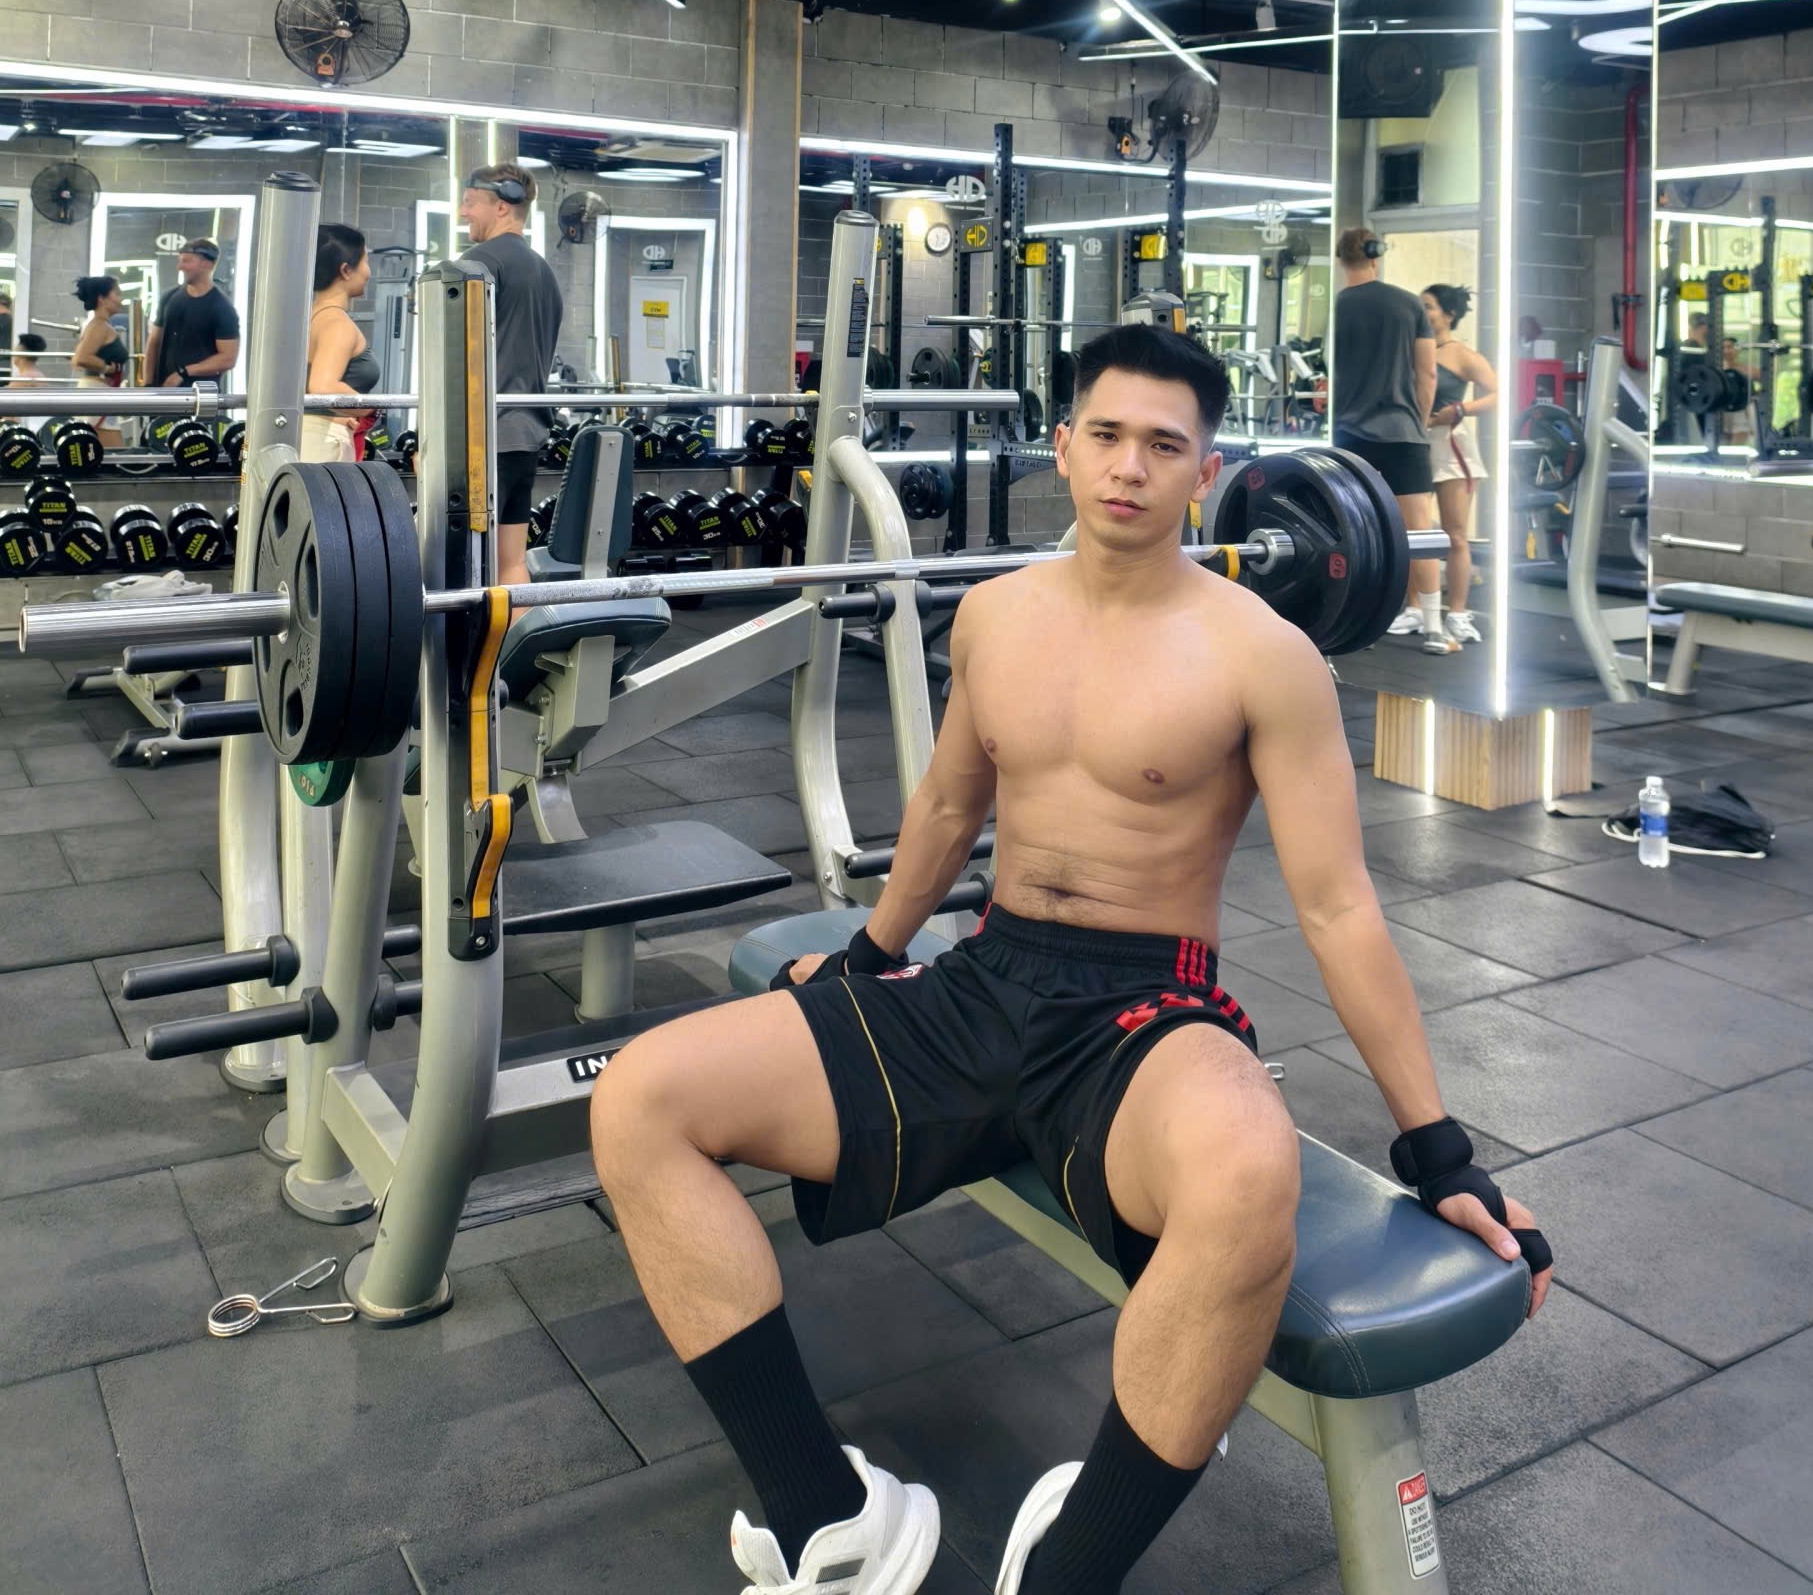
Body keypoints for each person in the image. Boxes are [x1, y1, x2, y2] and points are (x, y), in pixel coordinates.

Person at [587, 323, 1550, 1595]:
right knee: (639, 1099)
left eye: (1164, 445)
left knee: (1247, 1172)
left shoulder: (1265, 655)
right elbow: (947, 806)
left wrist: (1439, 1150)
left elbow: (1339, 908)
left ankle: (1072, 1566)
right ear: (1063, 446)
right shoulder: (994, 616)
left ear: (1207, 472)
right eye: (1106, 434)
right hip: (984, 980)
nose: (1129, 467)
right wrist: (871, 954)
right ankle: (828, 1519)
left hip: (1144, 1013)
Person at [1328, 228, 1451, 652]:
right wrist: (1418, 420)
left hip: (1347, 435)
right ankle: (1434, 628)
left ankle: (1353, 626)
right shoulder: (1408, 303)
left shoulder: (1336, 306)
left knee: (1351, 532)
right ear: (1375, 256)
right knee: (1418, 530)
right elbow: (1427, 372)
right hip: (1401, 434)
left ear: (1341, 260)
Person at [458, 164, 562, 583]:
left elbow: (456, 359)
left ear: (502, 206)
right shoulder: (544, 271)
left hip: (482, 440)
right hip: (524, 437)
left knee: (464, 571)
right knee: (511, 563)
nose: (462, 212)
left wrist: (433, 440)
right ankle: (517, 630)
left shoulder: (479, 262)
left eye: (470, 202)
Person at [1401, 283, 1496, 651]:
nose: (1423, 312)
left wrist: (1461, 409)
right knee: (1412, 533)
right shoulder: (1412, 349)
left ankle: (1457, 613)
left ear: (1449, 314)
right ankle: (1415, 608)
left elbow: (1498, 393)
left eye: (1429, 306)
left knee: (1455, 535)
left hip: (1451, 446)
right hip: (1414, 443)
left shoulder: (1462, 355)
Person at [300, 224, 377, 463]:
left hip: (311, 437)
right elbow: (323, 387)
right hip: (324, 447)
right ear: (346, 270)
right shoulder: (336, 323)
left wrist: (345, 412)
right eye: (365, 261)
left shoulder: (308, 317)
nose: (368, 272)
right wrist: (370, 409)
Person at [144, 239, 240, 390]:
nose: (180, 267)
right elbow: (154, 343)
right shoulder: (169, 298)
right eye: (180, 261)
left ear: (207, 264)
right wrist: (148, 384)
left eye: (187, 261)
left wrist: (183, 373)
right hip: (163, 393)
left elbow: (228, 358)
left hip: (201, 396)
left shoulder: (222, 308)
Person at [71, 274, 128, 388]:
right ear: (102, 299)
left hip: (100, 389)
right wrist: (105, 368)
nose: (120, 300)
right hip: (96, 388)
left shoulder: (100, 325)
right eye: (117, 294)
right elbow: (81, 358)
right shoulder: (99, 326)